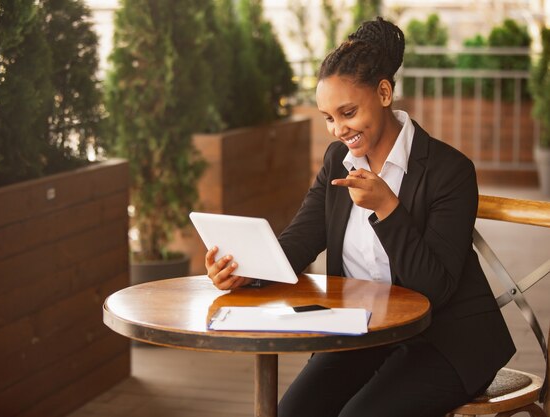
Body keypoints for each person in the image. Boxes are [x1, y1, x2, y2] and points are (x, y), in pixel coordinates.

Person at [204, 17, 515, 417]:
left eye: (347, 112)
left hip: (447, 341)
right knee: (293, 412)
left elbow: (435, 288)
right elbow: (301, 238)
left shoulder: (448, 171)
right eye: (328, 117)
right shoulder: (339, 160)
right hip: (363, 330)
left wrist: (388, 208)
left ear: (384, 92)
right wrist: (245, 270)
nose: (338, 129)